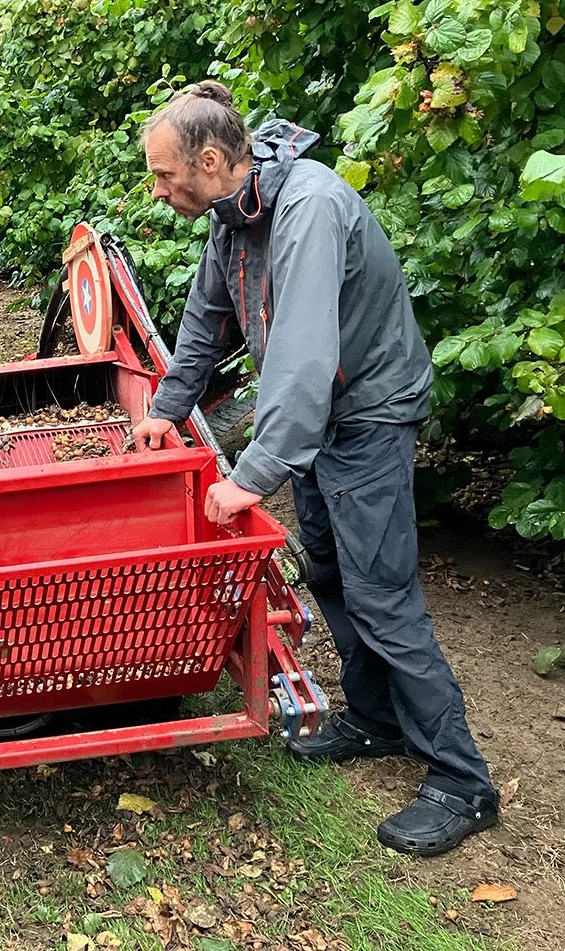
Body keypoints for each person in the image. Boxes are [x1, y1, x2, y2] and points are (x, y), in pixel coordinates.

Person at [130, 81, 498, 856]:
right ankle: (374, 720)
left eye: (164, 176)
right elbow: (205, 319)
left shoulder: (308, 210)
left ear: (208, 158)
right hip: (323, 416)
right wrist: (164, 409)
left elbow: (299, 358)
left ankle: (463, 782)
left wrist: (248, 474)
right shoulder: (236, 215)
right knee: (328, 569)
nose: (157, 190)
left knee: (379, 590)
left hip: (366, 411)